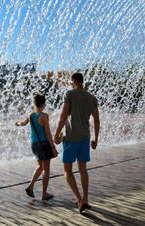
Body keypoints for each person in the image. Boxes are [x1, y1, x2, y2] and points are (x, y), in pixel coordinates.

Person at [54, 72, 100, 213]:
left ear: (74, 81)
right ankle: (85, 199)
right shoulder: (92, 98)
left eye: (71, 81)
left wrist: (56, 133)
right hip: (85, 137)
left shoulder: (70, 94)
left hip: (71, 137)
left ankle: (79, 200)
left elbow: (63, 116)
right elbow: (97, 121)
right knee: (83, 169)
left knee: (67, 171)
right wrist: (96, 139)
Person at [15, 93, 58, 200]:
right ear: (43, 104)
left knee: (40, 166)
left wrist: (17, 123)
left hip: (34, 144)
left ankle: (30, 186)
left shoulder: (30, 115)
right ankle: (44, 194)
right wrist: (53, 147)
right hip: (44, 144)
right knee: (46, 169)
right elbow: (48, 133)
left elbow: (23, 123)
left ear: (34, 104)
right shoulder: (44, 116)